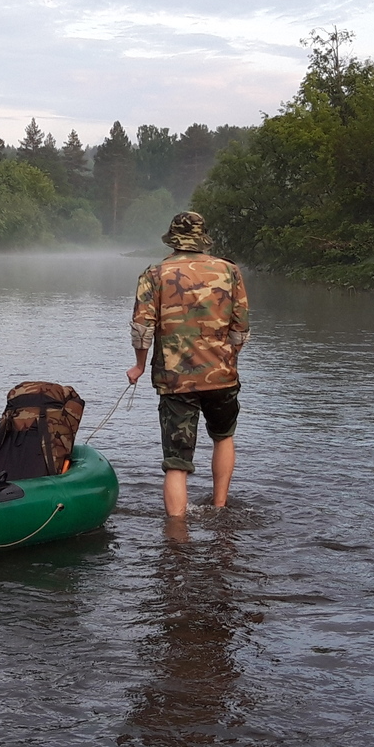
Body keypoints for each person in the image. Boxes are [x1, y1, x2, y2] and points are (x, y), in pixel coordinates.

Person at [127, 210, 249, 518]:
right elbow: (240, 329)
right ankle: (220, 508)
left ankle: (177, 532)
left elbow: (142, 329)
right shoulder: (229, 271)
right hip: (221, 375)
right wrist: (228, 359)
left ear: (173, 240)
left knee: (176, 462)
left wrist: (139, 366)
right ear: (202, 239)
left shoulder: (154, 274)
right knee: (223, 437)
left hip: (175, 380)